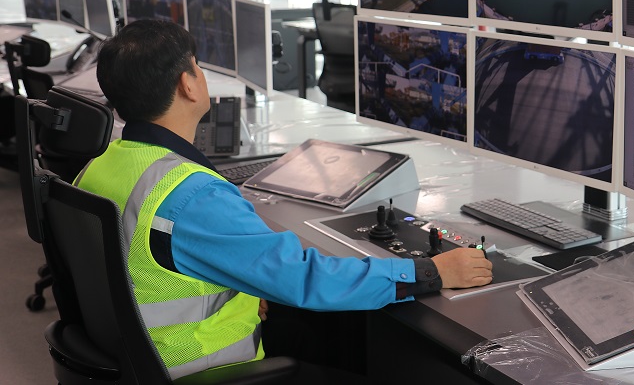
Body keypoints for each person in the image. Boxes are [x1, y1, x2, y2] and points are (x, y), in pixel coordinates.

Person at [75, 19, 493, 382]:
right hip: (194, 367)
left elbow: (148, 266)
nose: (201, 75)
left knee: (309, 335)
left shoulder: (98, 166)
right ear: (188, 84)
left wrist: (242, 286)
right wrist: (429, 272)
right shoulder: (192, 194)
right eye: (197, 67)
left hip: (134, 349)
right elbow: (303, 278)